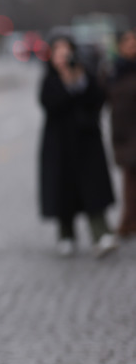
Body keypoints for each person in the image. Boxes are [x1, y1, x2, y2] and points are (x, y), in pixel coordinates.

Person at [38, 35, 118, 258]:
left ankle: (101, 234)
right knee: (62, 191)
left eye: (67, 52)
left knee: (94, 191)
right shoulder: (50, 79)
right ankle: (66, 235)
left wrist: (79, 80)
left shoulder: (86, 75)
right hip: (59, 144)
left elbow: (99, 99)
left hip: (86, 142)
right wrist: (66, 83)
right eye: (59, 53)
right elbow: (49, 103)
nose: (64, 58)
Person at [109, 29, 136, 238]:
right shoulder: (114, 70)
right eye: (127, 42)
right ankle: (128, 221)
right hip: (125, 132)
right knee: (130, 179)